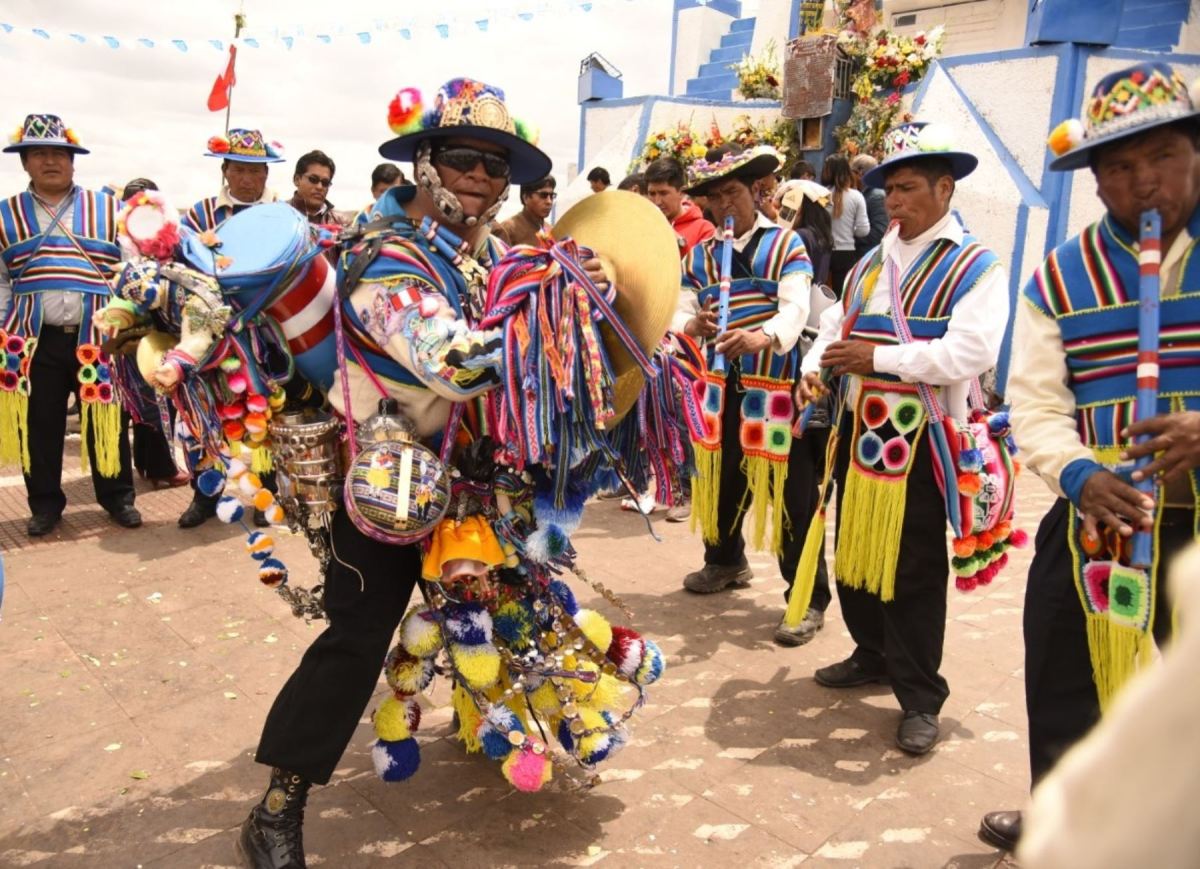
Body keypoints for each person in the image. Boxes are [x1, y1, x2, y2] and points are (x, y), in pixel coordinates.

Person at [235, 78, 621, 868]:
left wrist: (587, 288)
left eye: (495, 162)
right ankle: (277, 806)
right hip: (383, 488)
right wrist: (560, 311)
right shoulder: (389, 262)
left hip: (470, 489)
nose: (480, 174)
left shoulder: (483, 262)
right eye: (462, 157)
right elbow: (457, 364)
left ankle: (491, 728)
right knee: (357, 638)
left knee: (507, 613)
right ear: (425, 163)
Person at [979, 61, 1200, 854]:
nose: (1143, 182)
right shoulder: (1058, 278)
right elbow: (1036, 403)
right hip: (1097, 524)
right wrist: (1078, 472)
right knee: (1065, 685)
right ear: (1095, 180)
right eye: (1117, 167)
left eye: (1162, 157)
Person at [797, 122, 1008, 754]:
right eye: (890, 189)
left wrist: (878, 361)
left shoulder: (976, 266)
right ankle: (872, 652)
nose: (896, 201)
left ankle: (921, 696)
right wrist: (814, 368)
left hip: (921, 443)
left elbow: (969, 352)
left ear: (946, 188)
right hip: (861, 430)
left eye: (909, 188)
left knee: (913, 564)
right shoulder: (876, 257)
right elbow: (837, 318)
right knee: (857, 551)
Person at [674, 144, 826, 647]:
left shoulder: (787, 246)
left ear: (756, 191)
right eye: (715, 198)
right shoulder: (698, 256)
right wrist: (692, 323)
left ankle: (806, 598)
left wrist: (761, 336)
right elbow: (679, 310)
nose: (726, 206)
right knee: (718, 481)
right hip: (719, 389)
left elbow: (795, 309)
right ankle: (725, 561)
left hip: (777, 386)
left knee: (791, 496)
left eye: (734, 193)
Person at [0, 114, 141, 537]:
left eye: (58, 153)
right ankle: (44, 504)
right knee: (39, 426)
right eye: (38, 154)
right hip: (31, 339)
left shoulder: (110, 209)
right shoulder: (5, 215)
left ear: (73, 161)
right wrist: (5, 321)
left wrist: (127, 316)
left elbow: (132, 268)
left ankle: (118, 498)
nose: (49, 162)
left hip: (98, 336)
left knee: (107, 420)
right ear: (25, 162)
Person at [178, 128, 283, 530]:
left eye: (256, 170)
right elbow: (185, 270)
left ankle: (267, 497)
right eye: (239, 169)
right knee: (204, 416)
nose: (247, 178)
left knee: (265, 415)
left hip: (267, 332)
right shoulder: (199, 215)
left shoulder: (282, 213)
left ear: (266, 175)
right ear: (225, 170)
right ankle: (204, 496)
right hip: (212, 334)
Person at [120, 178, 188, 490]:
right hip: (130, 330)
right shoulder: (120, 241)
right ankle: (158, 466)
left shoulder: (170, 241)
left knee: (150, 398)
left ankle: (150, 464)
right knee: (147, 399)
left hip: (156, 331)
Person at [645, 157, 715, 254]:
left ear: (681, 192)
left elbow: (704, 267)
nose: (657, 202)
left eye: (663, 193)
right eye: (652, 194)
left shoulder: (704, 230)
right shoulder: (643, 224)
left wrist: (679, 243)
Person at [822, 154, 868, 297]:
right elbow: (863, 231)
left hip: (823, 252)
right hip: (846, 254)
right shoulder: (856, 196)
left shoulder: (820, 195)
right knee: (842, 297)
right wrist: (849, 230)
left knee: (821, 294)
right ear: (847, 172)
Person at [492, 175, 555, 247]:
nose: (549, 201)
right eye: (543, 195)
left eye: (552, 196)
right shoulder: (508, 229)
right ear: (526, 197)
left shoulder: (551, 231)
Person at [288, 150, 345, 226]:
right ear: (297, 179)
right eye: (313, 179)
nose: (319, 187)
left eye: (325, 183)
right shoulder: (279, 216)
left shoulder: (340, 222)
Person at [850, 153, 888, 253]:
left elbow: (879, 232)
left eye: (851, 173)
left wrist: (850, 236)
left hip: (869, 254)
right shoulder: (863, 193)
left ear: (860, 173)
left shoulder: (876, 196)